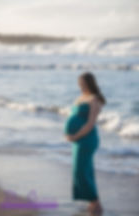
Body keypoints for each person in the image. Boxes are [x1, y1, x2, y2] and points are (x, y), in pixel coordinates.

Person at [64, 72, 106, 214]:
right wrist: (67, 133)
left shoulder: (94, 99)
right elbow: (73, 116)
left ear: (89, 83)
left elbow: (90, 124)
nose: (80, 86)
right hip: (78, 139)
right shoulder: (81, 97)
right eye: (79, 83)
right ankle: (93, 202)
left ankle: (96, 203)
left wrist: (75, 136)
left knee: (81, 171)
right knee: (83, 170)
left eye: (82, 83)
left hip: (87, 139)